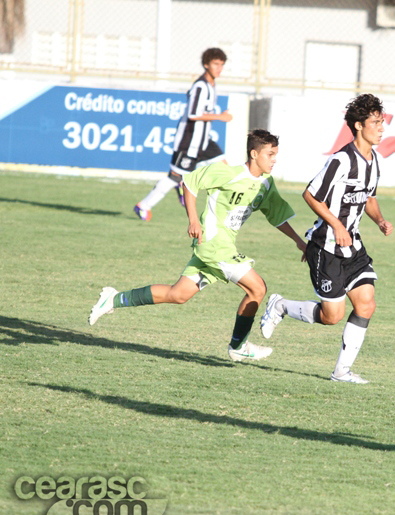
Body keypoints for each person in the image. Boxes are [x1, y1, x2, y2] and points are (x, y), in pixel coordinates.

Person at [90, 129, 307, 362]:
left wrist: (298, 241)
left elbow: (276, 216)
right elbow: (189, 182)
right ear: (254, 154)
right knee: (258, 289)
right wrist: (193, 219)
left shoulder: (266, 183)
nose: (274, 160)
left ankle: (113, 299)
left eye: (275, 155)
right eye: (270, 154)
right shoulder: (227, 173)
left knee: (178, 294)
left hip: (219, 246)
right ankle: (238, 346)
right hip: (214, 244)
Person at [259, 93, 393, 384]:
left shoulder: (374, 161)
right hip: (326, 247)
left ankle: (341, 372)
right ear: (359, 126)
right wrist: (336, 225)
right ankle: (280, 306)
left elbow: (369, 198)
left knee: (366, 304)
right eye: (376, 122)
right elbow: (311, 195)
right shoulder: (342, 160)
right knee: (332, 316)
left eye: (382, 122)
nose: (381, 128)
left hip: (353, 246)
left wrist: (380, 220)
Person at [134, 47, 232, 221]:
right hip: (189, 142)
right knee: (173, 177)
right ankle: (143, 205)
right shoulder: (200, 86)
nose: (219, 68)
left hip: (204, 141)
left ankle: (224, 213)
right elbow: (193, 114)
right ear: (206, 64)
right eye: (216, 64)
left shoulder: (212, 85)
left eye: (222, 65)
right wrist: (220, 117)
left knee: (226, 171)